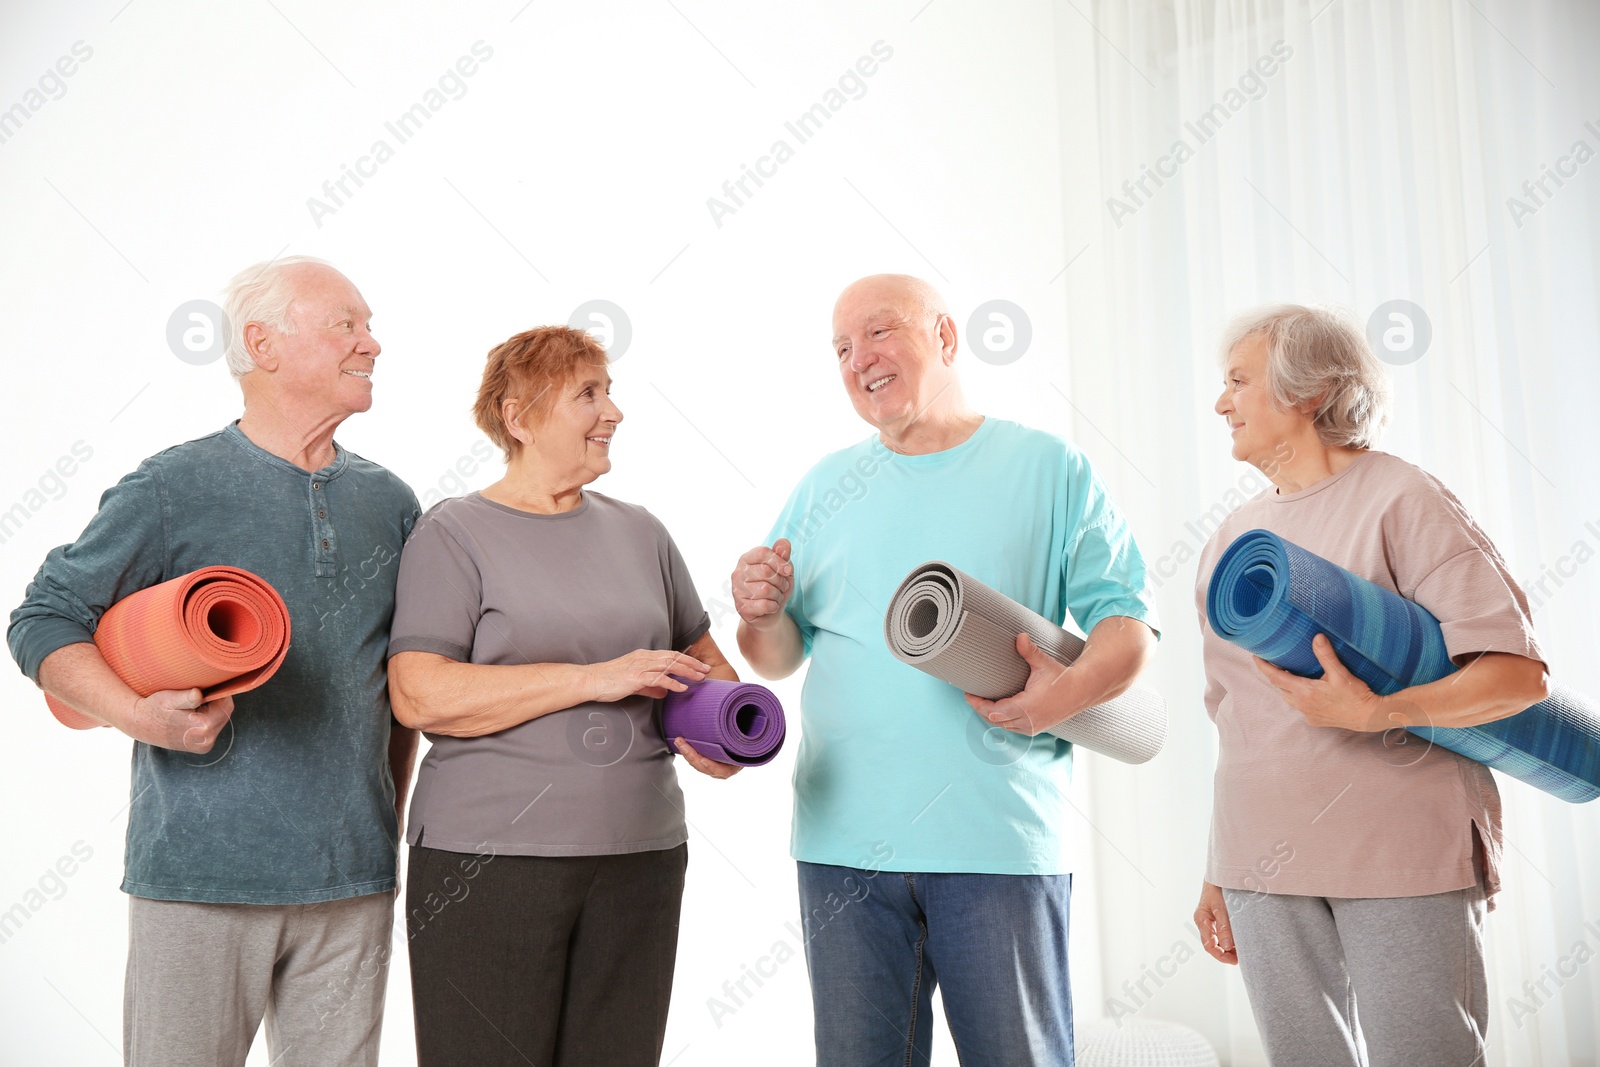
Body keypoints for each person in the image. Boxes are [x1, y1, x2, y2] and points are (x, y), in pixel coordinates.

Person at [731, 274, 1159, 1065]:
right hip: (844, 849)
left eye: (880, 332)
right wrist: (758, 615)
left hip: (994, 841)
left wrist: (1058, 696)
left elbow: (1128, 628)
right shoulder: (825, 486)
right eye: (841, 348)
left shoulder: (1047, 467)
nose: (860, 358)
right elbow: (780, 655)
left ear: (947, 339)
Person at [6, 256, 420, 1067]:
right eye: (347, 323)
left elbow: (400, 682)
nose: (373, 343)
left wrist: (383, 823)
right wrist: (137, 715)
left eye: (368, 326)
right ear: (262, 344)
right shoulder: (173, 486)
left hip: (352, 884)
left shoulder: (393, 503)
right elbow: (43, 617)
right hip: (199, 879)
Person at [1192, 304, 1549, 1065]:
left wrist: (1377, 710)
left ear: (1309, 392)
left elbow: (1516, 676)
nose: (1220, 402)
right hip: (1261, 857)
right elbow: (1234, 718)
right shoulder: (1231, 541)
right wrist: (1218, 865)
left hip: (1397, 843)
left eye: (1237, 381)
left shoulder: (1401, 496)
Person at [388, 324, 742, 1067]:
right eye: (589, 393)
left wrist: (723, 731)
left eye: (609, 391)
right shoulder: (453, 534)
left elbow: (707, 668)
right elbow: (419, 694)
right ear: (519, 418)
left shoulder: (642, 532)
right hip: (489, 863)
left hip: (641, 857)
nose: (613, 411)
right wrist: (594, 677)